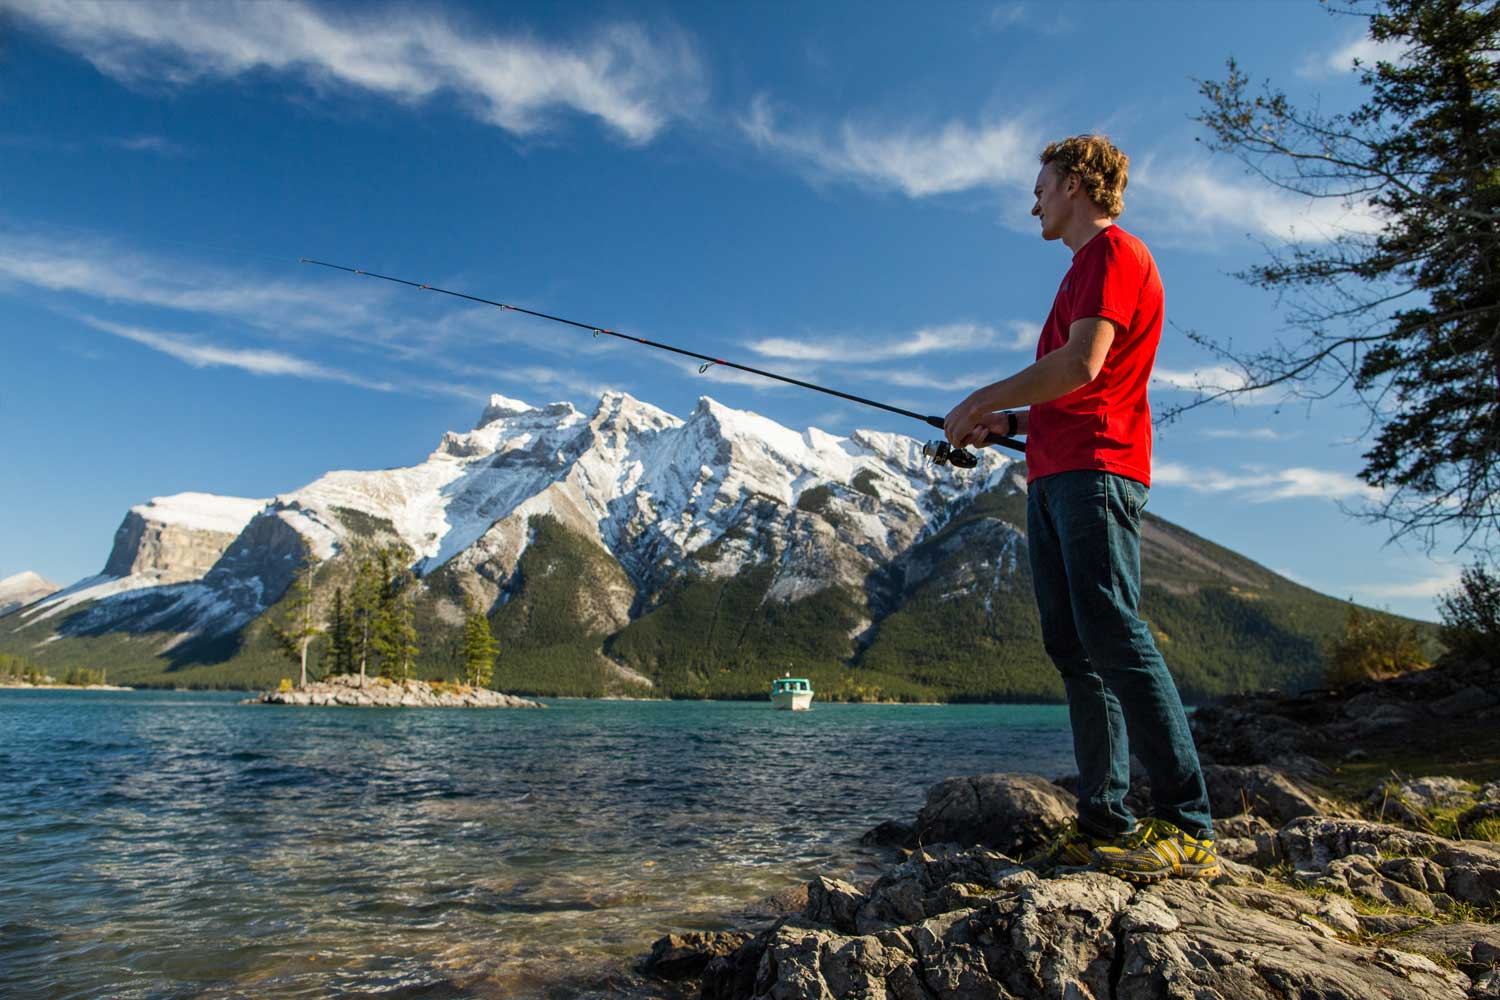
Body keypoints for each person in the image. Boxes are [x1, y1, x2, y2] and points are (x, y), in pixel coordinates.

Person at [942, 134, 1218, 882]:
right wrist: (1009, 425)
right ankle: (1106, 822)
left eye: (1041, 185)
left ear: (1074, 183)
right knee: (1075, 650)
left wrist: (980, 399)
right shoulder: (1079, 272)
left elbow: (1081, 366)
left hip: (1096, 473)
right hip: (1056, 470)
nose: (1033, 199)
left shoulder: (1113, 255)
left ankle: (1189, 824)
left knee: (1115, 636)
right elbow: (1074, 390)